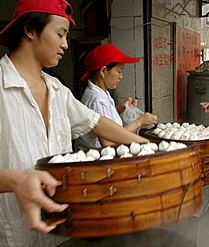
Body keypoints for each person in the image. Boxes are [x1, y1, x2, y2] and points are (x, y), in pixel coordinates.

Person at [0, 0, 148, 246]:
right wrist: (14, 180)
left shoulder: (57, 89)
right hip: (14, 232)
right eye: (60, 34)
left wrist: (147, 146)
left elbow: (96, 123)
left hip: (60, 227)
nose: (65, 45)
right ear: (30, 30)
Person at [75, 44, 157, 150]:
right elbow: (109, 142)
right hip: (98, 158)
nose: (121, 76)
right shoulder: (97, 99)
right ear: (103, 71)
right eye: (119, 71)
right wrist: (139, 122)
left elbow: (103, 117)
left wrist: (121, 107)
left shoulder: (101, 92)